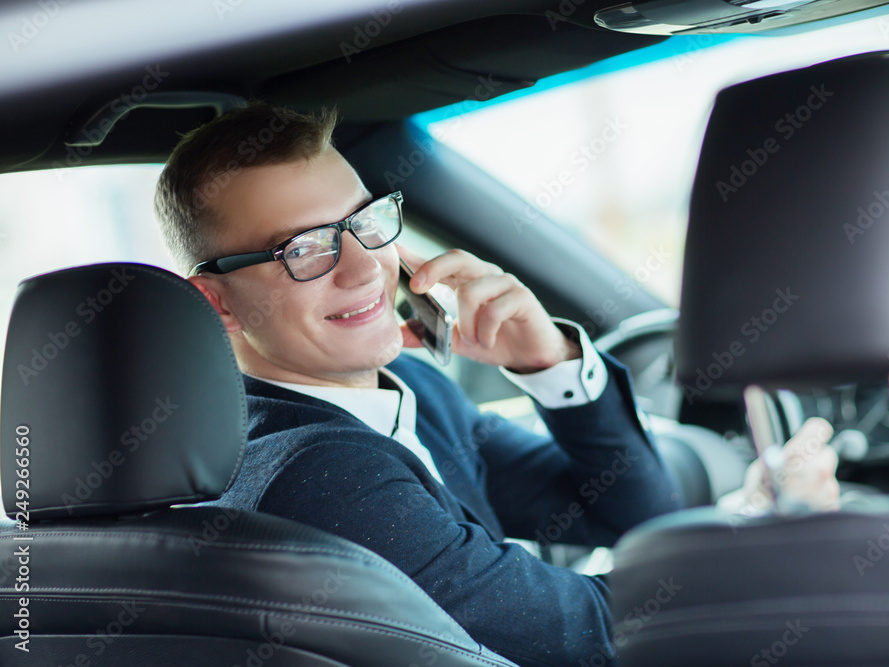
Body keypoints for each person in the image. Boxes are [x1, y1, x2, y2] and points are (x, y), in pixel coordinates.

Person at [154, 102, 838, 667]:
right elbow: (596, 635)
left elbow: (629, 513)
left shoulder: (405, 393)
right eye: (302, 249)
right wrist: (757, 538)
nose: (364, 268)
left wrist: (547, 361)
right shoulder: (321, 475)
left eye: (363, 222)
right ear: (217, 302)